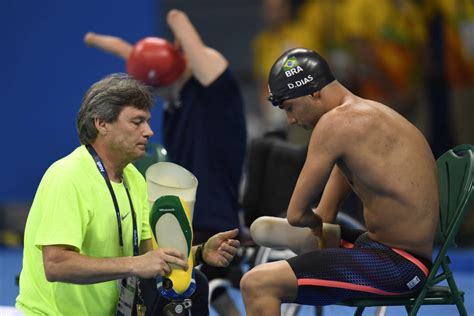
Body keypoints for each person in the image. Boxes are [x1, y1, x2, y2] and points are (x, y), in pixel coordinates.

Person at [15, 73, 240, 315]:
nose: (149, 132)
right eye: (137, 122)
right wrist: (134, 265)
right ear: (102, 124)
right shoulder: (67, 176)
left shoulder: (134, 178)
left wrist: (200, 252)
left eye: (148, 122)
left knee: (194, 287)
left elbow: (149, 257)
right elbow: (56, 264)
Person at [240, 48, 439, 315]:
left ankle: (301, 244)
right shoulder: (367, 115)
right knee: (316, 236)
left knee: (256, 283)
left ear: (313, 92)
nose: (291, 119)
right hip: (392, 253)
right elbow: (325, 215)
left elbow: (298, 215)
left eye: (290, 107)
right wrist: (316, 228)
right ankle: (305, 244)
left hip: (399, 267)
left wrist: (309, 226)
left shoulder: (336, 124)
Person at [84, 9, 247, 315]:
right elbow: (139, 56)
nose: (157, 91)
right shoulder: (176, 94)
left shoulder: (215, 92)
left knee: (156, 266)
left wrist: (174, 19)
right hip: (182, 213)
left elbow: (179, 23)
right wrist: (96, 40)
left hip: (210, 218)